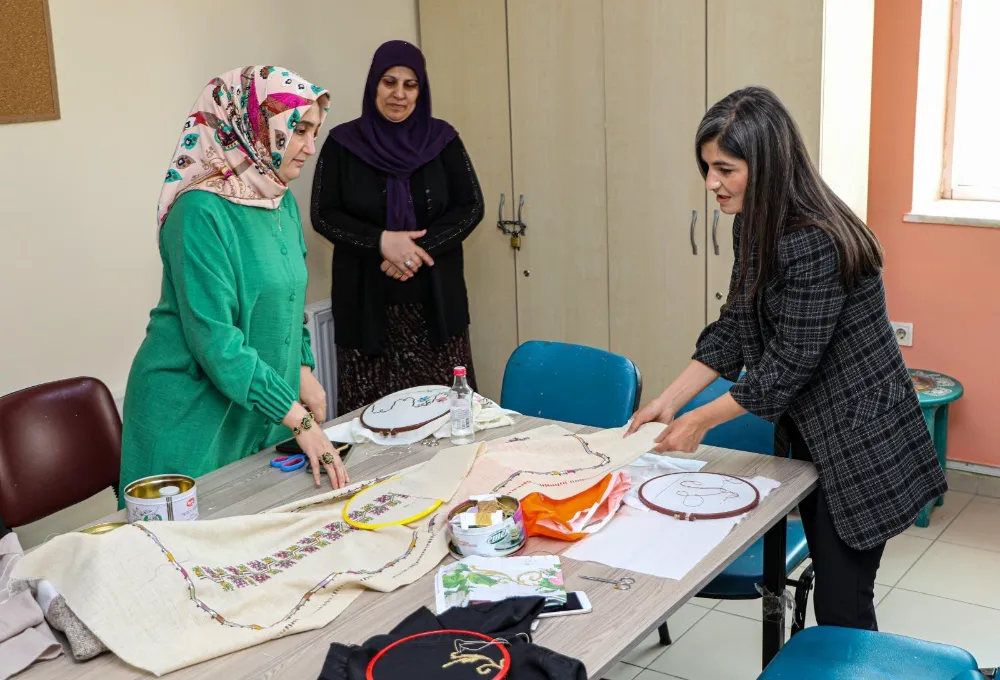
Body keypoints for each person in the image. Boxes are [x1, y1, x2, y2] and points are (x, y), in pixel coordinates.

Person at [627, 86, 947, 630]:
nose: (711, 184)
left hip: (859, 443)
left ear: (766, 163)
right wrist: (668, 399)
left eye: (725, 169)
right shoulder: (755, 222)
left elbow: (783, 369)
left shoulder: (812, 240)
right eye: (706, 167)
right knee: (839, 599)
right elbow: (735, 326)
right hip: (815, 433)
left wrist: (696, 422)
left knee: (844, 608)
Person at [119, 66, 349, 503]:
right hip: (189, 418)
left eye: (314, 132)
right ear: (254, 127)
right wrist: (299, 421)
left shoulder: (276, 198)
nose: (310, 147)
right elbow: (216, 342)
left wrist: (301, 368)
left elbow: (288, 298)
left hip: (253, 410)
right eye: (299, 130)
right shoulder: (198, 213)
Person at [311, 40, 484, 414]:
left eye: (410, 85)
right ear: (374, 84)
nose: (399, 94)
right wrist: (381, 242)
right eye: (389, 82)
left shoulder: (444, 140)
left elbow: (470, 207)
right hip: (365, 308)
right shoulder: (343, 144)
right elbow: (324, 213)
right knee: (372, 420)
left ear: (422, 90)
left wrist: (414, 252)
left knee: (444, 415)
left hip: (436, 306)